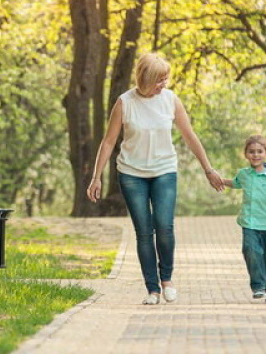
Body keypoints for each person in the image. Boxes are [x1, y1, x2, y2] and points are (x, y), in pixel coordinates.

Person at [87, 52, 225, 305]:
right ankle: (152, 289)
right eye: (160, 79)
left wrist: (208, 169)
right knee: (143, 232)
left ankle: (167, 279)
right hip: (131, 173)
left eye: (166, 79)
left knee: (164, 226)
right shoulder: (124, 102)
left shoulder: (170, 100)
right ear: (145, 78)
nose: (164, 84)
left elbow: (189, 136)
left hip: (164, 170)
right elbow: (108, 143)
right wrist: (96, 177)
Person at [222, 135, 266, 303]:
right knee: (251, 251)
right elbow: (234, 183)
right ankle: (258, 286)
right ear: (246, 154)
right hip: (249, 223)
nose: (256, 155)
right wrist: (219, 180)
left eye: (259, 151)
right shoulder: (243, 174)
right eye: (251, 152)